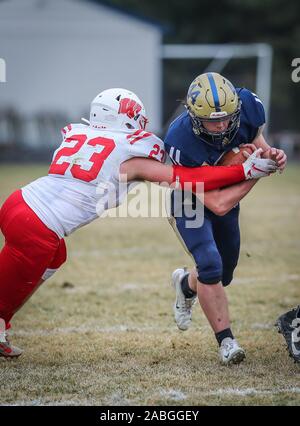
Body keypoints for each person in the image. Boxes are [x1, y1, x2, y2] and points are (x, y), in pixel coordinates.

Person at [0, 87, 276, 359]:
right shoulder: (131, 157)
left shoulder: (80, 134)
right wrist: (243, 170)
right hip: (38, 224)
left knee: (53, 259)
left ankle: (2, 325)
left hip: (20, 202)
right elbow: (192, 180)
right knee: (9, 289)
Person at [164, 72, 287, 365]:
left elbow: (258, 143)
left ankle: (186, 284)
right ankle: (227, 342)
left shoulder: (248, 107)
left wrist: (271, 155)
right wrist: (255, 173)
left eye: (226, 118)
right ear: (194, 117)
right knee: (210, 263)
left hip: (228, 190)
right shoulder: (180, 142)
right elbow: (217, 204)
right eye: (211, 121)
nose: (221, 126)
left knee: (224, 274)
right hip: (191, 200)